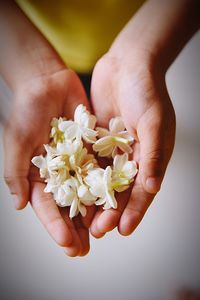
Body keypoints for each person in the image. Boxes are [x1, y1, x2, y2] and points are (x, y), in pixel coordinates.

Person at [0, 0, 199, 257]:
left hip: (140, 29)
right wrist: (27, 71)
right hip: (23, 46)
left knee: (141, 124)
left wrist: (142, 50)